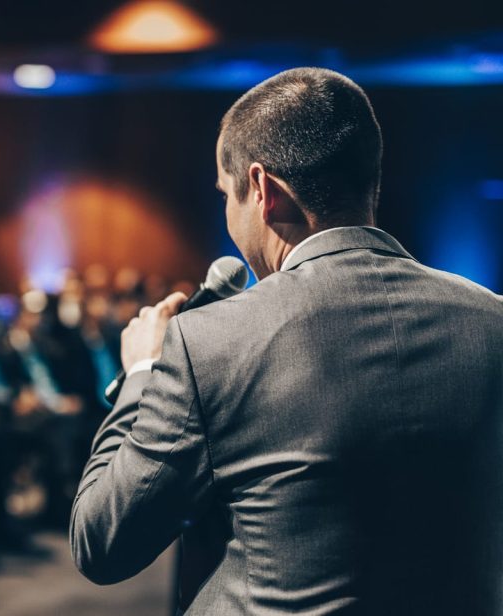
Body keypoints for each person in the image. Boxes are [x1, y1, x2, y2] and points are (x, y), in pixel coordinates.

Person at [70, 67, 503, 615]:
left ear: (261, 190)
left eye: (226, 195)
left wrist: (141, 375)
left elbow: (101, 543)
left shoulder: (211, 342)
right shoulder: (492, 321)